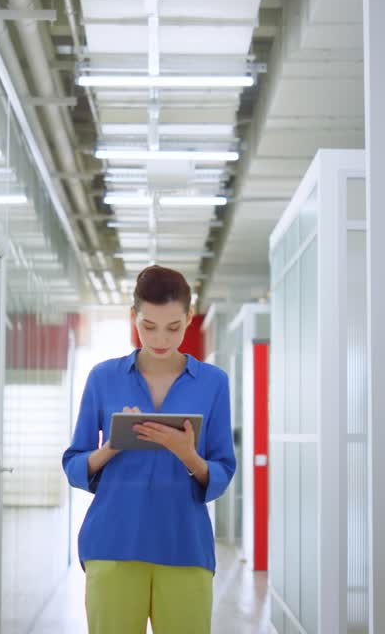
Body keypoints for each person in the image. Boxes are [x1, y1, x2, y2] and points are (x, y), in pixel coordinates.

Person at [62, 265, 237, 634]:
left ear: (190, 318)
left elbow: (223, 471)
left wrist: (187, 454)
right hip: (112, 543)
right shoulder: (102, 377)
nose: (160, 338)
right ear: (133, 317)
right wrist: (111, 446)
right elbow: (74, 463)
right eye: (148, 326)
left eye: (173, 327)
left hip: (184, 546)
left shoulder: (213, 384)